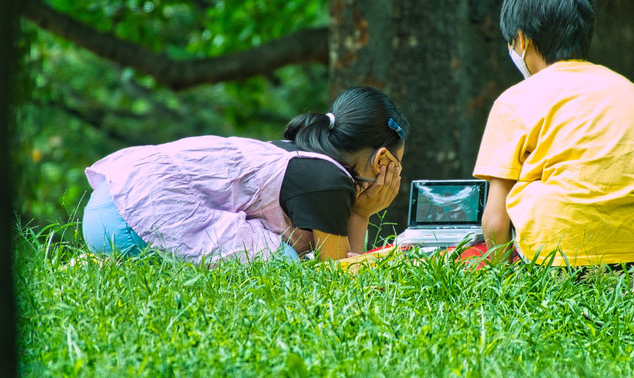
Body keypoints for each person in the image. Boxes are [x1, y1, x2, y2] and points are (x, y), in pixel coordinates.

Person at [473, 0, 634, 267]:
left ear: (522, 39)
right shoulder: (633, 93)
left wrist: (505, 281)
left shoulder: (515, 101)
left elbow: (495, 221)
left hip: (560, 265)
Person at [81, 86, 408, 265]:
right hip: (135, 214)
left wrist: (361, 210)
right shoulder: (328, 180)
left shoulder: (302, 156)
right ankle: (120, 258)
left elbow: (346, 258)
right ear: (381, 160)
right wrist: (400, 257)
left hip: (108, 204)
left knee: (274, 254)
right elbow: (338, 273)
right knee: (283, 266)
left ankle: (108, 262)